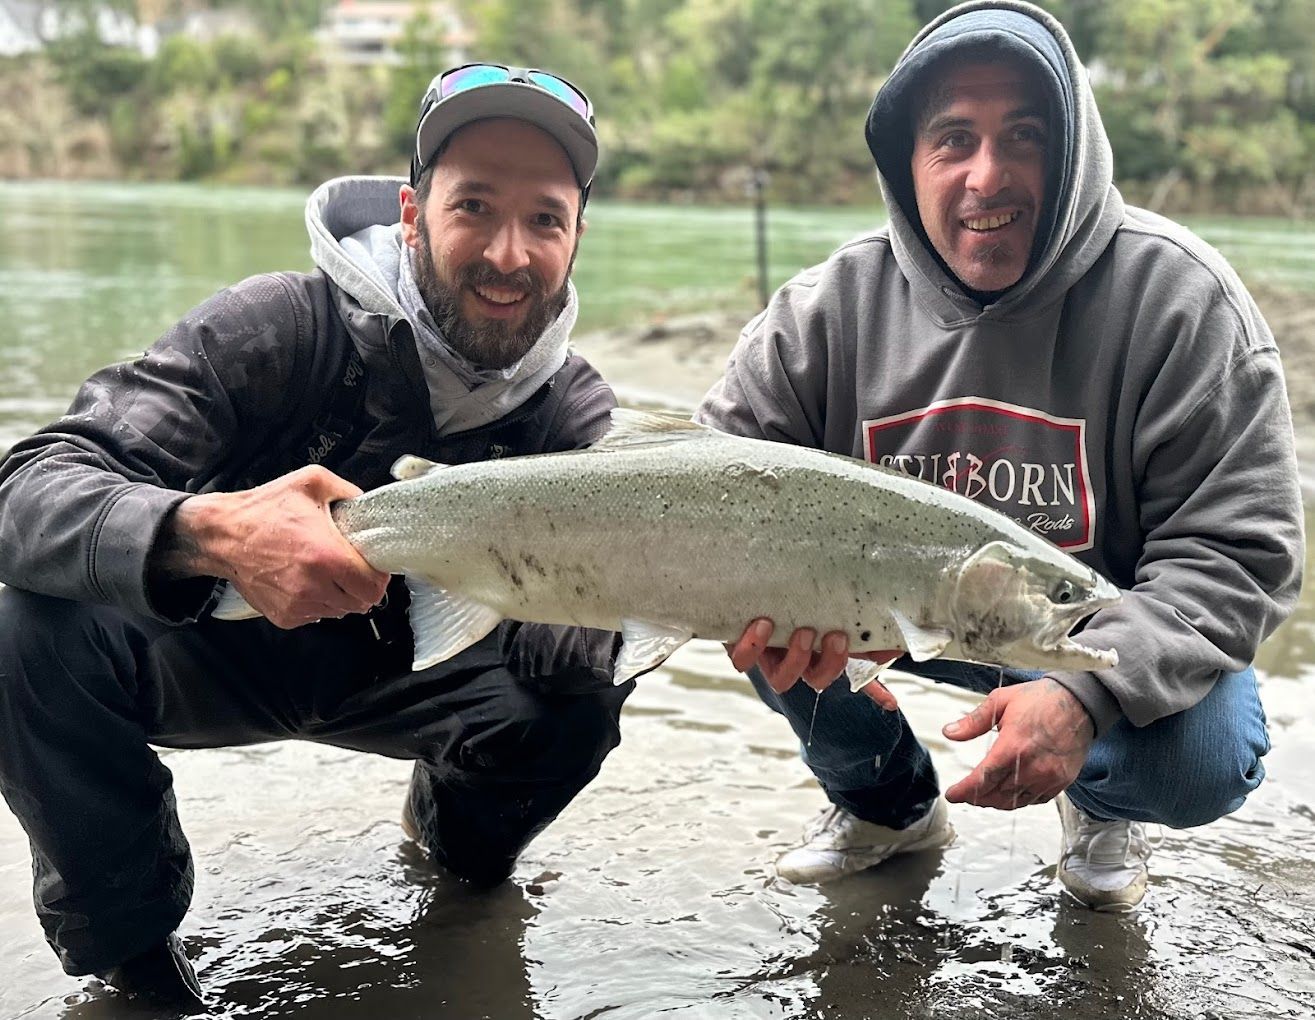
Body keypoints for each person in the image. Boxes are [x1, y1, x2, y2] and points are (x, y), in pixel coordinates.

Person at [0, 63, 628, 1012]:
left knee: (580, 703)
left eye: (544, 219)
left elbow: (567, 650)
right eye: (474, 206)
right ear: (413, 215)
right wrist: (205, 530)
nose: (508, 253)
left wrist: (655, 614)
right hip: (212, 647)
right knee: (27, 631)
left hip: (419, 677)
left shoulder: (575, 418)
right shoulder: (276, 326)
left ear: (576, 238)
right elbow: (27, 489)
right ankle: (135, 957)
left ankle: (457, 851)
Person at [708, 0, 1303, 912]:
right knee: (752, 608)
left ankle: (1100, 802)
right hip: (888, 623)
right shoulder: (821, 313)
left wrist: (1083, 699)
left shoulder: (1182, 305)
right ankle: (885, 806)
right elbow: (707, 484)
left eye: (1024, 136)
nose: (987, 175)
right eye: (954, 139)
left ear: (1072, 154)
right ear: (906, 164)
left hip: (1087, 629)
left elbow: (1238, 556)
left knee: (1202, 758)